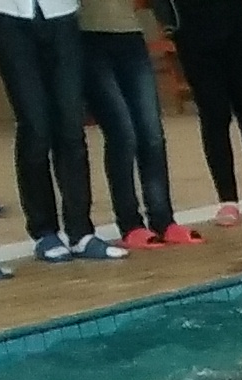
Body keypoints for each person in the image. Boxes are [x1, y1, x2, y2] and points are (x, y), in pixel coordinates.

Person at [0, 0, 100, 256]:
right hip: (5, 12)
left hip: (61, 11)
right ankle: (44, 231)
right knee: (35, 124)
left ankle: (81, 230)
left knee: (71, 124)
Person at [72, 0, 189, 242]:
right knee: (123, 135)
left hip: (131, 34)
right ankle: (129, 223)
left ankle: (163, 219)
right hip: (87, 36)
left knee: (152, 134)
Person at [168, 0, 242, 221]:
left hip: (238, 25)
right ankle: (227, 200)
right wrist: (170, 24)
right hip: (193, 31)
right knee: (214, 115)